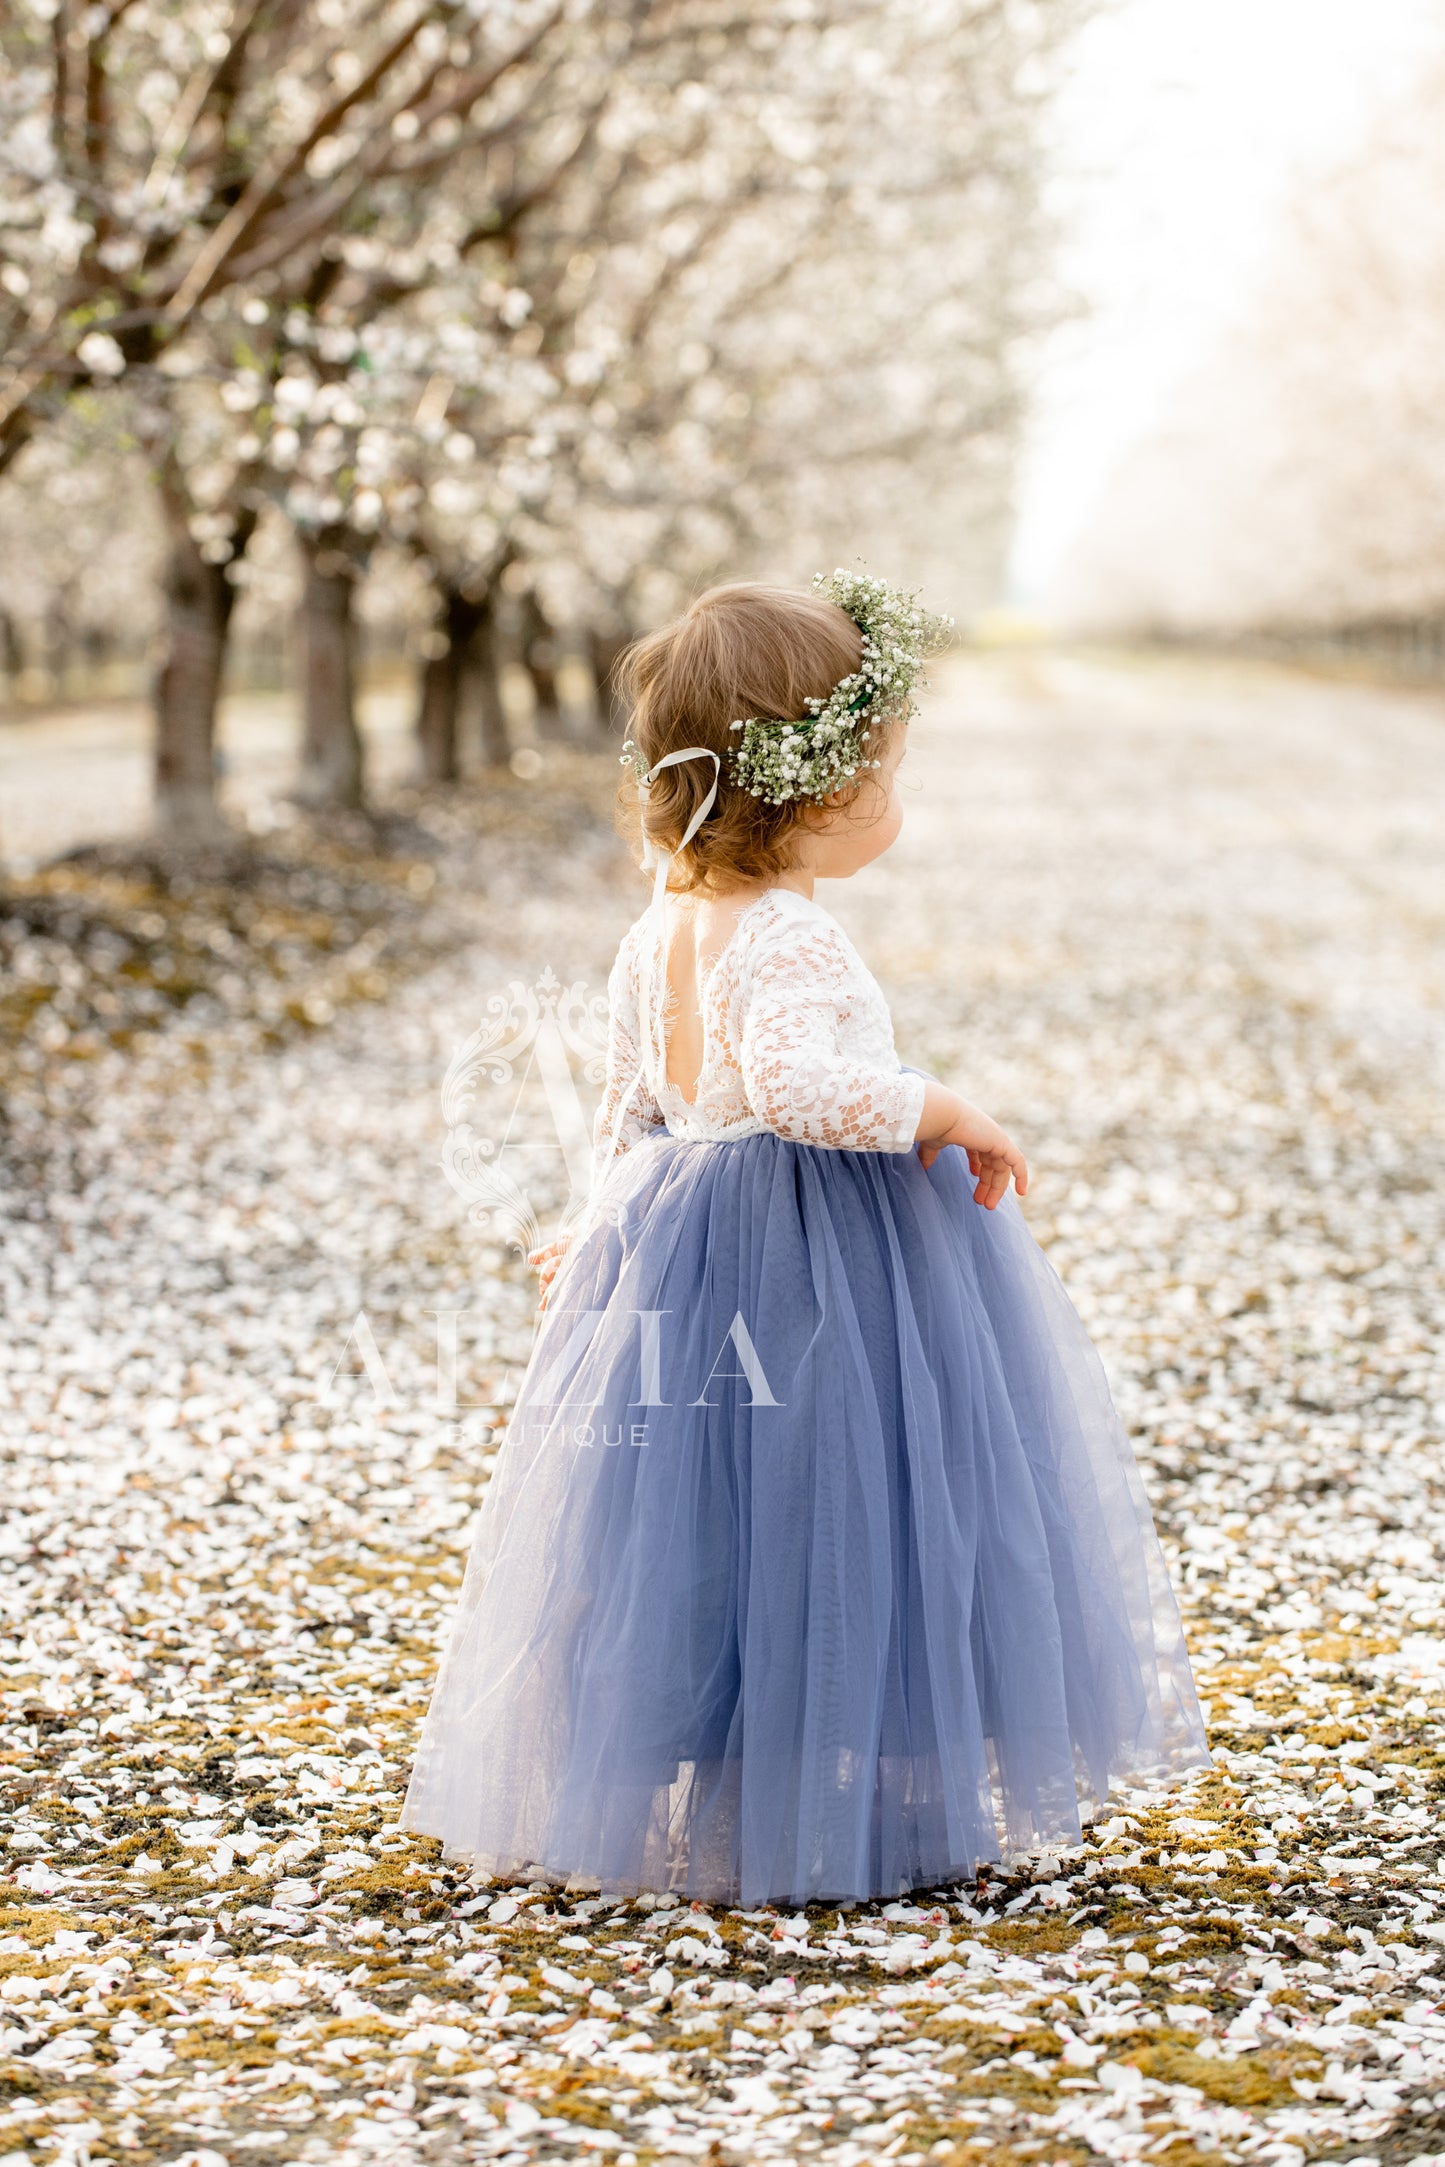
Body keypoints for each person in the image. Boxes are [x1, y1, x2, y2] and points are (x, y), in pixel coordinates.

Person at [401, 571, 1209, 1904]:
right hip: (805, 1255)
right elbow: (797, 1093)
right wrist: (945, 1110)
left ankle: (728, 1767)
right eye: (884, 771)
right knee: (834, 1497)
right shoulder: (785, 940)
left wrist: (598, 1230)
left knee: (706, 1516)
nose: (895, 797)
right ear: (814, 787)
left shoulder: (657, 928)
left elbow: (631, 1107)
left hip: (679, 1239)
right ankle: (831, 1779)